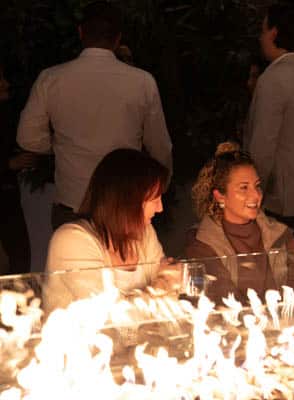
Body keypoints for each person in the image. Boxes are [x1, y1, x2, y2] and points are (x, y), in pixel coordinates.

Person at [17, 1, 172, 230]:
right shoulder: (142, 82)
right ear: (118, 38)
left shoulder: (51, 79)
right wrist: (161, 185)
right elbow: (159, 146)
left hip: (72, 201)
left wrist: (59, 145)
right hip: (124, 202)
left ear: (81, 33)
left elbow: (27, 139)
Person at [44, 149, 178, 312]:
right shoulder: (71, 240)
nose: (160, 208)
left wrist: (166, 283)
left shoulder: (145, 233)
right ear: (128, 202)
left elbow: (169, 301)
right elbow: (108, 315)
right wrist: (163, 284)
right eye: (154, 200)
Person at [243, 4, 294, 247]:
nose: (260, 38)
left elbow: (261, 148)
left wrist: (251, 195)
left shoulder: (271, 80)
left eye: (262, 30)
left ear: (274, 32)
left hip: (279, 200)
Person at [184, 142, 294, 304]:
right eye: (244, 188)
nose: (256, 195)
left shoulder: (280, 235)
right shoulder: (203, 244)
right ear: (220, 196)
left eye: (257, 186)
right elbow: (223, 303)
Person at [0, 61, 36, 275]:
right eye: (0, 79)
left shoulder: (7, 115)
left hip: (9, 200)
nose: (6, 84)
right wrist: (9, 164)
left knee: (19, 261)